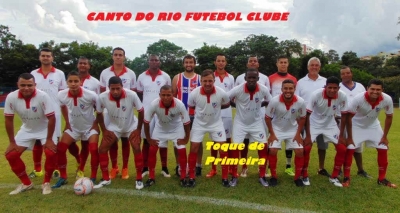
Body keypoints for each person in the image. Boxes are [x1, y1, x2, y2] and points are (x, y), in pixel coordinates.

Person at [5, 73, 57, 195]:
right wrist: (12, 142)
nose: (26, 88)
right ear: (17, 85)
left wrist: (49, 139)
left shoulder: (43, 96)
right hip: (27, 129)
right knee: (11, 155)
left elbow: (52, 118)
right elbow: (8, 119)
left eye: (30, 85)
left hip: (44, 129)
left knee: (51, 152)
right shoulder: (11, 97)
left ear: (35, 85)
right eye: (23, 85)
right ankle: (26, 183)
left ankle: (46, 183)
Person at [51, 71, 101, 188]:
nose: (73, 84)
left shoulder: (91, 94)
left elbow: (99, 110)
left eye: (76, 81)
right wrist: (67, 122)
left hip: (89, 127)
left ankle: (93, 177)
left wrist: (95, 124)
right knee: (61, 149)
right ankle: (63, 177)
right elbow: (63, 107)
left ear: (81, 82)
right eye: (70, 81)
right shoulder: (61, 94)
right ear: (66, 82)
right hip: (73, 127)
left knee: (93, 149)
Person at [94, 76, 144, 190]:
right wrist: (104, 131)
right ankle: (106, 179)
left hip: (131, 125)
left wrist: (138, 130)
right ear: (108, 88)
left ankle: (139, 178)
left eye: (118, 88)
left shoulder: (131, 95)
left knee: (136, 147)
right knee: (102, 149)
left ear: (122, 87)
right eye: (113, 89)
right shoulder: (102, 97)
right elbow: (99, 113)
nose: (115, 91)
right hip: (114, 127)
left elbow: (141, 112)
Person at [345, 79, 396, 188]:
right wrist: (349, 137)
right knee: (350, 148)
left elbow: (389, 117)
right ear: (367, 88)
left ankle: (382, 179)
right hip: (356, 125)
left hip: (373, 125)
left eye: (378, 89)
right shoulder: (358, 98)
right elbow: (348, 118)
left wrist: (385, 137)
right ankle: (346, 177)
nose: (375, 91)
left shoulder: (387, 99)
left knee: (383, 148)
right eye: (372, 89)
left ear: (382, 90)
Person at [187, 69, 231, 187]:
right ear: (200, 81)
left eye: (210, 81)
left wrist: (214, 111)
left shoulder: (221, 92)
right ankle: (191, 177)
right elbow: (191, 106)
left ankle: (225, 177)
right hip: (199, 124)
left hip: (216, 124)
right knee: (194, 148)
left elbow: (226, 103)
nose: (207, 83)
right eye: (205, 81)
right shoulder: (194, 93)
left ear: (214, 81)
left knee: (223, 149)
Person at [228, 68, 272, 187]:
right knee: (235, 148)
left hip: (256, 123)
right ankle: (234, 176)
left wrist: (262, 104)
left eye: (254, 78)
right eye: (249, 77)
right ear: (245, 78)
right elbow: (226, 99)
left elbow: (270, 101)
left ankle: (262, 176)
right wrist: (237, 106)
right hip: (240, 123)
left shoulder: (263, 89)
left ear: (258, 78)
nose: (251, 80)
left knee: (263, 147)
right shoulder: (238, 89)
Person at [303, 76, 348, 187]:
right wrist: (308, 135)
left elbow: (344, 115)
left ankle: (334, 176)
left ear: (339, 88)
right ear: (325, 87)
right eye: (330, 87)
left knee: (342, 148)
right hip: (314, 124)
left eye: (335, 88)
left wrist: (341, 135)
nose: (332, 90)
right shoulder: (316, 94)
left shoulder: (342, 95)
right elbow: (306, 115)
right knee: (306, 148)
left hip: (330, 124)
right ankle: (304, 175)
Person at [99, 47, 137, 180]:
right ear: (112, 57)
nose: (118, 57)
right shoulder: (104, 73)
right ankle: (114, 166)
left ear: (124, 57)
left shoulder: (131, 73)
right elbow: (102, 93)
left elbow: (133, 94)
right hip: (110, 111)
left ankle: (125, 167)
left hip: (126, 112)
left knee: (125, 139)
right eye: (116, 55)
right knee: (112, 140)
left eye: (120, 55)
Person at [29, 48, 66, 179]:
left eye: (48, 56)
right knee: (37, 140)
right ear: (40, 58)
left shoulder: (60, 74)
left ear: (52, 58)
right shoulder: (33, 73)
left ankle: (55, 168)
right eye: (43, 56)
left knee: (54, 141)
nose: (45, 58)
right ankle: (37, 168)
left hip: (54, 112)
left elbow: (62, 94)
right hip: (37, 112)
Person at [143, 85, 191, 187]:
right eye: (163, 95)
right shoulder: (154, 104)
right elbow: (146, 122)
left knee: (182, 150)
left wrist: (186, 138)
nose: (166, 97)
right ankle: (151, 177)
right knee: (152, 150)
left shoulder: (179, 104)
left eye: (168, 95)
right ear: (159, 95)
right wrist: (148, 138)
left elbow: (186, 122)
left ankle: (183, 178)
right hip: (160, 128)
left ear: (173, 95)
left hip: (176, 129)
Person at [234, 56, 270, 177]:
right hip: (242, 119)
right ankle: (244, 167)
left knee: (261, 144)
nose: (253, 62)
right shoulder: (239, 78)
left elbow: (268, 98)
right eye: (250, 61)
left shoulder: (265, 78)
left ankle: (262, 170)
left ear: (258, 64)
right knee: (243, 143)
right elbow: (232, 97)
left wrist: (261, 105)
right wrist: (239, 106)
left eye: (255, 61)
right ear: (247, 63)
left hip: (258, 117)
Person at [265, 79, 306, 187]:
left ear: (294, 89)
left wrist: (298, 134)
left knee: (300, 151)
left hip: (292, 129)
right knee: (273, 150)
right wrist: (272, 134)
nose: (288, 91)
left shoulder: (300, 101)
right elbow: (268, 118)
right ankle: (274, 177)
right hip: (277, 129)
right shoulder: (274, 101)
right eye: (286, 88)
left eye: (290, 88)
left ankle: (297, 178)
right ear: (282, 89)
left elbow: (302, 118)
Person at [137, 55, 171, 178]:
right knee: (146, 140)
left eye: (156, 60)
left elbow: (169, 94)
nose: (154, 62)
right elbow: (140, 95)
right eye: (152, 60)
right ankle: (145, 167)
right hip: (147, 112)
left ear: (159, 62)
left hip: (162, 112)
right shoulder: (141, 76)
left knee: (163, 140)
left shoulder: (165, 76)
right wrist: (146, 106)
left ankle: (164, 167)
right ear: (148, 62)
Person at [295, 57, 329, 177]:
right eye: (312, 65)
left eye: (316, 65)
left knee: (322, 146)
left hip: (323, 119)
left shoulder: (325, 82)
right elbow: (296, 100)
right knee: (306, 146)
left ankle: (321, 168)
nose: (314, 67)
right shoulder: (300, 82)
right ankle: (303, 169)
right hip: (305, 119)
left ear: (319, 67)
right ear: (308, 67)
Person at [69, 56, 101, 179]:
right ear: (77, 65)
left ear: (89, 66)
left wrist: (96, 122)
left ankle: (81, 168)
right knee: (69, 144)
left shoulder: (95, 82)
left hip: (88, 119)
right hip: (73, 120)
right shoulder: (71, 80)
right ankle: (78, 158)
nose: (82, 65)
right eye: (80, 63)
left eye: (85, 64)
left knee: (86, 145)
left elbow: (98, 102)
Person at [338, 66, 371, 179]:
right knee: (342, 146)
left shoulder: (360, 86)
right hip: (342, 120)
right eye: (343, 74)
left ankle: (360, 170)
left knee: (357, 147)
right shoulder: (338, 87)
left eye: (347, 73)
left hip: (357, 121)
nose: (345, 75)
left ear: (351, 73)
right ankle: (340, 170)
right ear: (341, 75)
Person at [171, 54, 201, 177]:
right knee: (177, 141)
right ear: (183, 64)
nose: (189, 65)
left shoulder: (200, 78)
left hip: (196, 115)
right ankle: (179, 165)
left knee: (197, 142)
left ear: (194, 64)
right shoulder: (177, 78)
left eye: (191, 62)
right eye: (186, 62)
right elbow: (172, 97)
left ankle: (198, 166)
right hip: (180, 116)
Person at [206, 53, 235, 178]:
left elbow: (232, 95)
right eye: (219, 61)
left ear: (226, 62)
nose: (221, 63)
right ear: (215, 62)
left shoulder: (231, 77)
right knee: (214, 141)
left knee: (227, 140)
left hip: (227, 112)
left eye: (223, 61)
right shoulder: (210, 77)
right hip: (214, 113)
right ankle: (214, 169)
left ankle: (228, 167)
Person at [268, 56, 298, 177]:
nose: (283, 64)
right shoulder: (270, 78)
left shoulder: (293, 79)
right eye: (281, 62)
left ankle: (288, 166)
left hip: (289, 113)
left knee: (289, 141)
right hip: (274, 114)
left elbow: (296, 96)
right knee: (272, 142)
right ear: (277, 64)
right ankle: (270, 168)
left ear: (288, 64)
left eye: (285, 62)